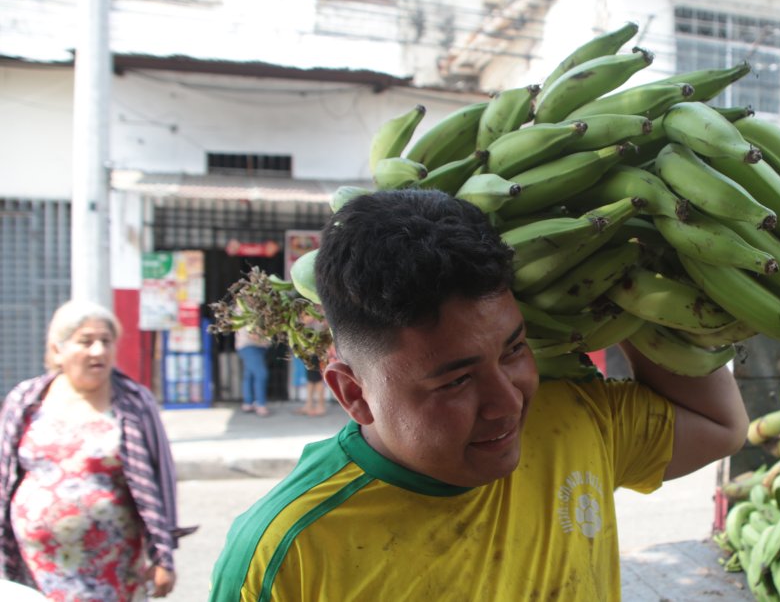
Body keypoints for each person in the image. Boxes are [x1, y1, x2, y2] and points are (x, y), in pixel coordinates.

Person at [209, 189, 748, 600]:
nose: (507, 403)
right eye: (456, 380)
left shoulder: (572, 421)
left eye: (514, 350)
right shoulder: (284, 555)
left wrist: (616, 275)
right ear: (353, 392)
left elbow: (722, 425)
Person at [0, 300, 193, 600]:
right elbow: (4, 472)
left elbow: (160, 479)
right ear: (57, 350)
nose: (98, 351)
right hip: (35, 568)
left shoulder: (134, 402)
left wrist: (163, 556)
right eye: (86, 341)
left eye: (106, 341)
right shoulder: (25, 399)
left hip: (111, 568)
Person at [234, 327, 271, 416]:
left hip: (256, 346)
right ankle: (260, 404)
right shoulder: (247, 314)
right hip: (249, 345)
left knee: (249, 374)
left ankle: (248, 403)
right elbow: (253, 335)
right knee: (261, 374)